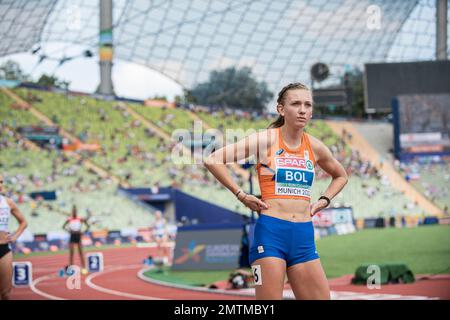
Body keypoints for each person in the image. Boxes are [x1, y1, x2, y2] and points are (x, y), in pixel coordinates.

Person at [204, 83, 348, 300]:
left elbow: (341, 175)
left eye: (307, 105)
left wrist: (324, 200)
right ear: (281, 109)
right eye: (296, 104)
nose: (303, 110)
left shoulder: (315, 146)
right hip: (271, 234)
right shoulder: (265, 140)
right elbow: (212, 158)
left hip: (304, 237)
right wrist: (241, 194)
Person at [0, 175, 28, 300]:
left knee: (6, 293)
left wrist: (15, 236)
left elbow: (23, 222)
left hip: (4, 249)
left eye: (1, 182)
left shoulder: (8, 202)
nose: (0, 185)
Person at [62, 205, 90, 275]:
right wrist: (69, 231)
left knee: (80, 252)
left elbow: (87, 226)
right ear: (72, 212)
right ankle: (70, 269)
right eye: (73, 211)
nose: (74, 212)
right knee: (71, 253)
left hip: (78, 235)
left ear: (76, 212)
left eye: (75, 211)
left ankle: (83, 267)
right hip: (72, 236)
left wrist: (83, 232)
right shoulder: (69, 219)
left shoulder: (80, 219)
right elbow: (63, 227)